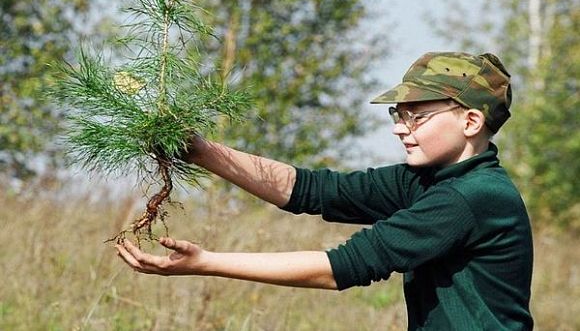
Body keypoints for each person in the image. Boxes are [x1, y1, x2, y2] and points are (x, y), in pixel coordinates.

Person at [116, 51, 534, 330]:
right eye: (398, 114)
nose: (398, 127)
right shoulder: (428, 179)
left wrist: (206, 262)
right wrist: (199, 150)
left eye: (416, 116)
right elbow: (311, 190)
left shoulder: (469, 196)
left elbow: (340, 268)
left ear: (471, 122)